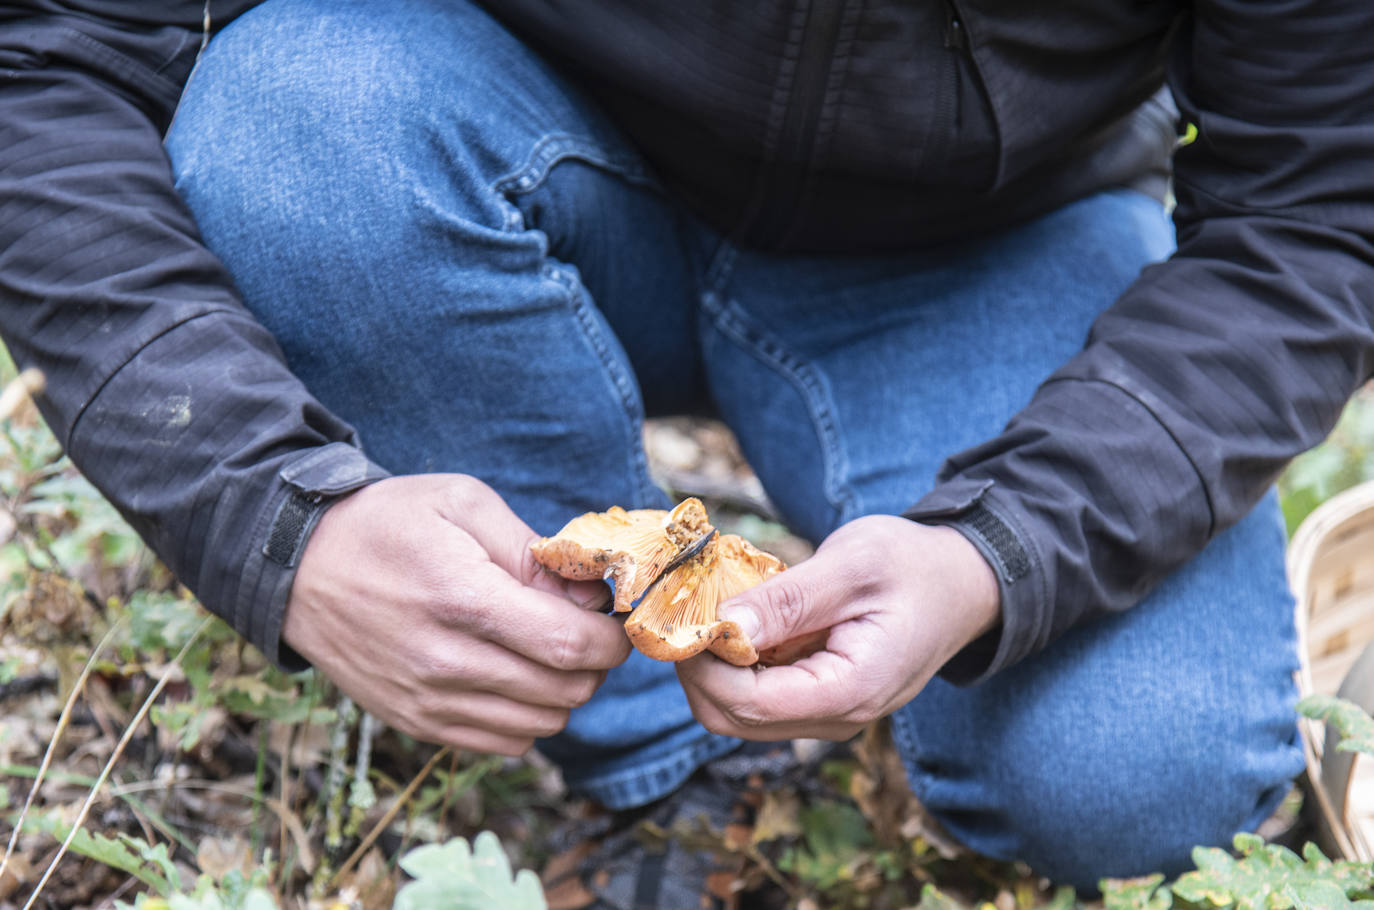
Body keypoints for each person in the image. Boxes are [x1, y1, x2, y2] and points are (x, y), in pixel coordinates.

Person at [2, 0, 1371, 902]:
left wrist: (999, 549)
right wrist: (279, 523)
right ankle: (673, 776)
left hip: (994, 239)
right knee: (287, 139)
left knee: (1137, 782)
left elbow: (1314, 218)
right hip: (488, 140)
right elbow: (42, 62)